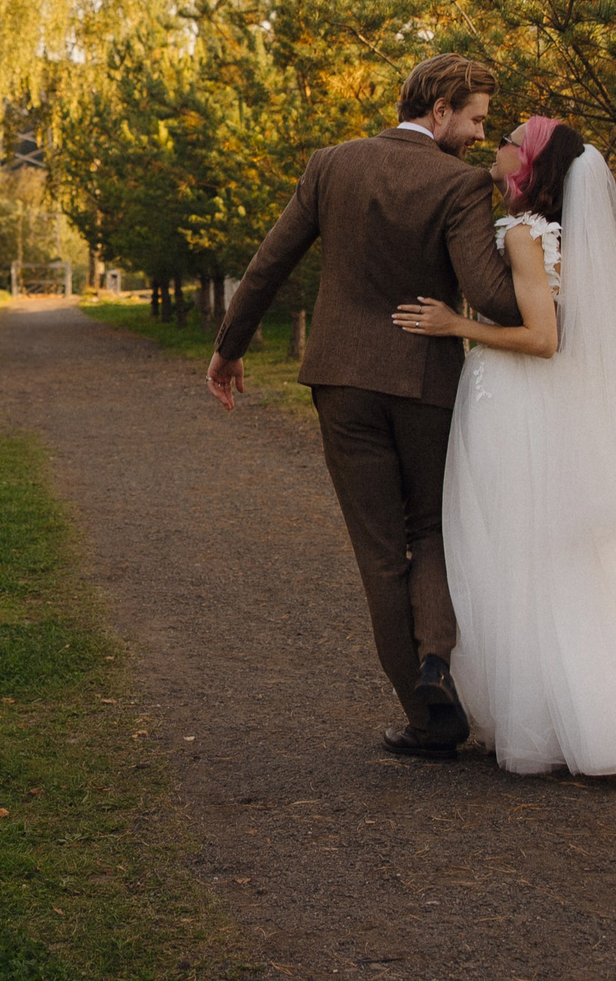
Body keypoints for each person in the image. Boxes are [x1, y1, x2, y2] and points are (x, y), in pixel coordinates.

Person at [392, 116, 616, 781]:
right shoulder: (565, 238)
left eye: (511, 141)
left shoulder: (524, 235)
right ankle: (609, 710)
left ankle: (552, 719)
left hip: (517, 404)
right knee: (563, 557)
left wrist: (455, 323)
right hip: (544, 409)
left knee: (516, 552)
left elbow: (543, 339)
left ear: (531, 164)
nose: (499, 147)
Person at [208, 53, 523, 759]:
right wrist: (546, 267)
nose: (479, 136)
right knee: (433, 530)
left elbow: (270, 262)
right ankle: (436, 659)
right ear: (439, 109)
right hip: (424, 385)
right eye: (473, 119)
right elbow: (496, 299)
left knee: (380, 554)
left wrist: (230, 347)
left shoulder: (331, 165)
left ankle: (425, 717)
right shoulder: (462, 185)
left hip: (341, 382)